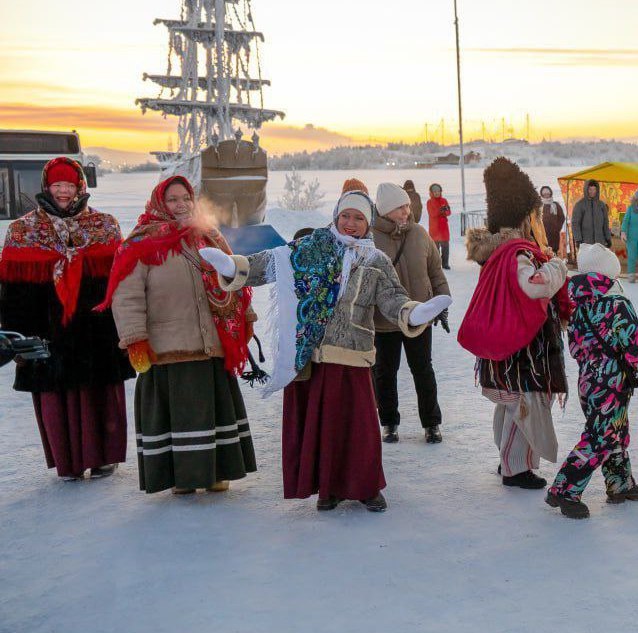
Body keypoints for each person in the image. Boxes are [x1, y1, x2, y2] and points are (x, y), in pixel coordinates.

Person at [198, 191, 450, 512]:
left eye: (359, 218)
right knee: (323, 428)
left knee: (359, 429)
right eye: (346, 215)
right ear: (335, 216)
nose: (350, 223)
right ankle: (327, 488)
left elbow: (392, 298)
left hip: (352, 355)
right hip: (311, 356)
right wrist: (235, 267)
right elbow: (270, 264)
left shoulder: (375, 261)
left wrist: (412, 313)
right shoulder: (312, 247)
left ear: (368, 223)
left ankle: (366, 487)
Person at [100, 176, 257, 495]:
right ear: (160, 202)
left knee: (213, 411)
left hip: (211, 343)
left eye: (186, 198)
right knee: (180, 415)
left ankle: (217, 472)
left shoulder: (209, 235)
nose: (181, 204)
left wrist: (247, 318)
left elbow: (234, 280)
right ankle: (182, 478)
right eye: (172, 199)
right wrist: (135, 338)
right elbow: (126, 295)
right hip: (168, 347)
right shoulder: (139, 243)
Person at [0, 157, 134, 481]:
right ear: (46, 186)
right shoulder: (21, 230)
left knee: (98, 394)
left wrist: (126, 329)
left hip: (95, 329)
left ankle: (103, 457)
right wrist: (16, 337)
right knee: (55, 398)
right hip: (47, 330)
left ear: (79, 187)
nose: (62, 191)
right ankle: (70, 462)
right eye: (57, 185)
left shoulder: (105, 226)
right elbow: (11, 292)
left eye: (69, 185)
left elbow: (122, 284)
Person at [458, 158, 570, 490]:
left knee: (513, 407)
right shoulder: (518, 252)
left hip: (509, 347)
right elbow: (532, 286)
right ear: (523, 218)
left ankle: (511, 461)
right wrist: (557, 270)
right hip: (522, 351)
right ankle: (515, 469)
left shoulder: (499, 251)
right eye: (533, 216)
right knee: (524, 405)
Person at [544, 244, 638, 518]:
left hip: (589, 378)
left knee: (613, 432)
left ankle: (619, 484)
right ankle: (564, 489)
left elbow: (575, 346)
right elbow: (636, 345)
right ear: (609, 275)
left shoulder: (577, 304)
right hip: (612, 381)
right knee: (601, 436)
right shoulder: (617, 304)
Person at [370, 182, 451, 445]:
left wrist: (441, 304)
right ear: (385, 210)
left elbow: (435, 271)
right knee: (385, 373)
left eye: (406, 205)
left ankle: (431, 424)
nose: (407, 211)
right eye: (400, 207)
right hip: (385, 320)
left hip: (419, 316)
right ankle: (389, 423)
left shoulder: (419, 233)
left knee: (423, 370)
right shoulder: (371, 239)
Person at [571, 179, 611, 248]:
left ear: (597, 190)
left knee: (599, 258)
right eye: (590, 189)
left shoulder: (601, 205)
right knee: (587, 259)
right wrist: (578, 239)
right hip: (585, 242)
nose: (592, 192)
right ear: (586, 190)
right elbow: (575, 223)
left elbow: (605, 223)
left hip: (600, 241)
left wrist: (608, 238)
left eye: (594, 189)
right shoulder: (580, 205)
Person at [425, 183, 452, 269]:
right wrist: (441, 210)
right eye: (435, 191)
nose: (437, 193)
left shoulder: (444, 200)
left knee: (445, 247)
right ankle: (435, 265)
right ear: (431, 193)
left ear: (441, 192)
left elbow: (448, 212)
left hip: (444, 228)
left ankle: (445, 263)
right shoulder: (429, 202)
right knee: (435, 248)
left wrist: (445, 210)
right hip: (434, 228)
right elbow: (432, 214)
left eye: (438, 191)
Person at [539, 185, 566, 256]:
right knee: (545, 251)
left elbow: (562, 217)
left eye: (548, 194)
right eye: (544, 194)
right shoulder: (540, 205)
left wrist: (557, 228)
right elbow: (536, 219)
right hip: (543, 233)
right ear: (542, 195)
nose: (546, 196)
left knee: (554, 251)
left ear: (550, 194)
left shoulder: (555, 205)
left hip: (554, 234)